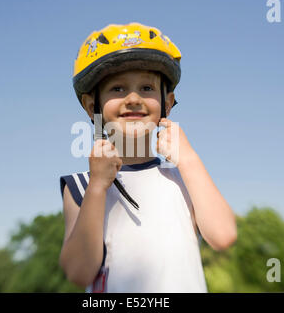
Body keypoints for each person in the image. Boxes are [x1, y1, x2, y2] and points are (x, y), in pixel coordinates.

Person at [59, 22, 237, 293]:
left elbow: (223, 236)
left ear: (167, 103)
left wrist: (188, 159)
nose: (133, 98)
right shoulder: (81, 186)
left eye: (146, 88)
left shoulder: (183, 177)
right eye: (117, 89)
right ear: (92, 106)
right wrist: (97, 187)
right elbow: (79, 272)